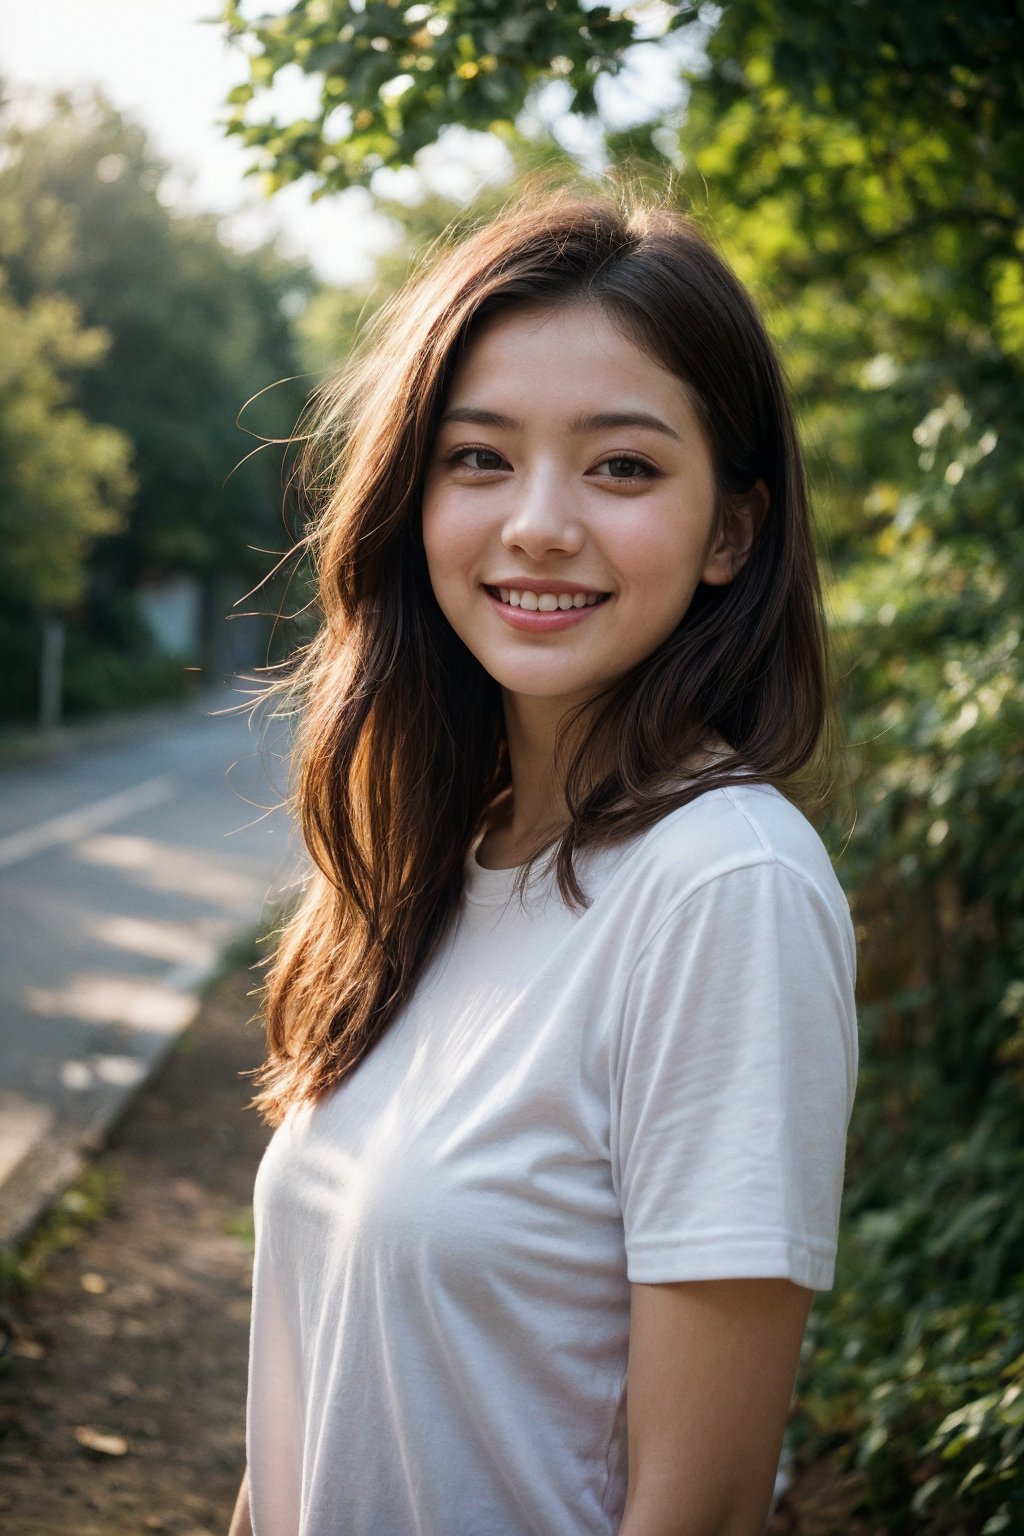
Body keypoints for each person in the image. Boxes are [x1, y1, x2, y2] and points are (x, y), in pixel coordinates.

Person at [228, 185, 858, 1536]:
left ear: (731, 533)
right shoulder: (426, 864)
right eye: (479, 458)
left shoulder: (725, 886)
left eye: (622, 467)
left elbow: (701, 1505)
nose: (539, 524)